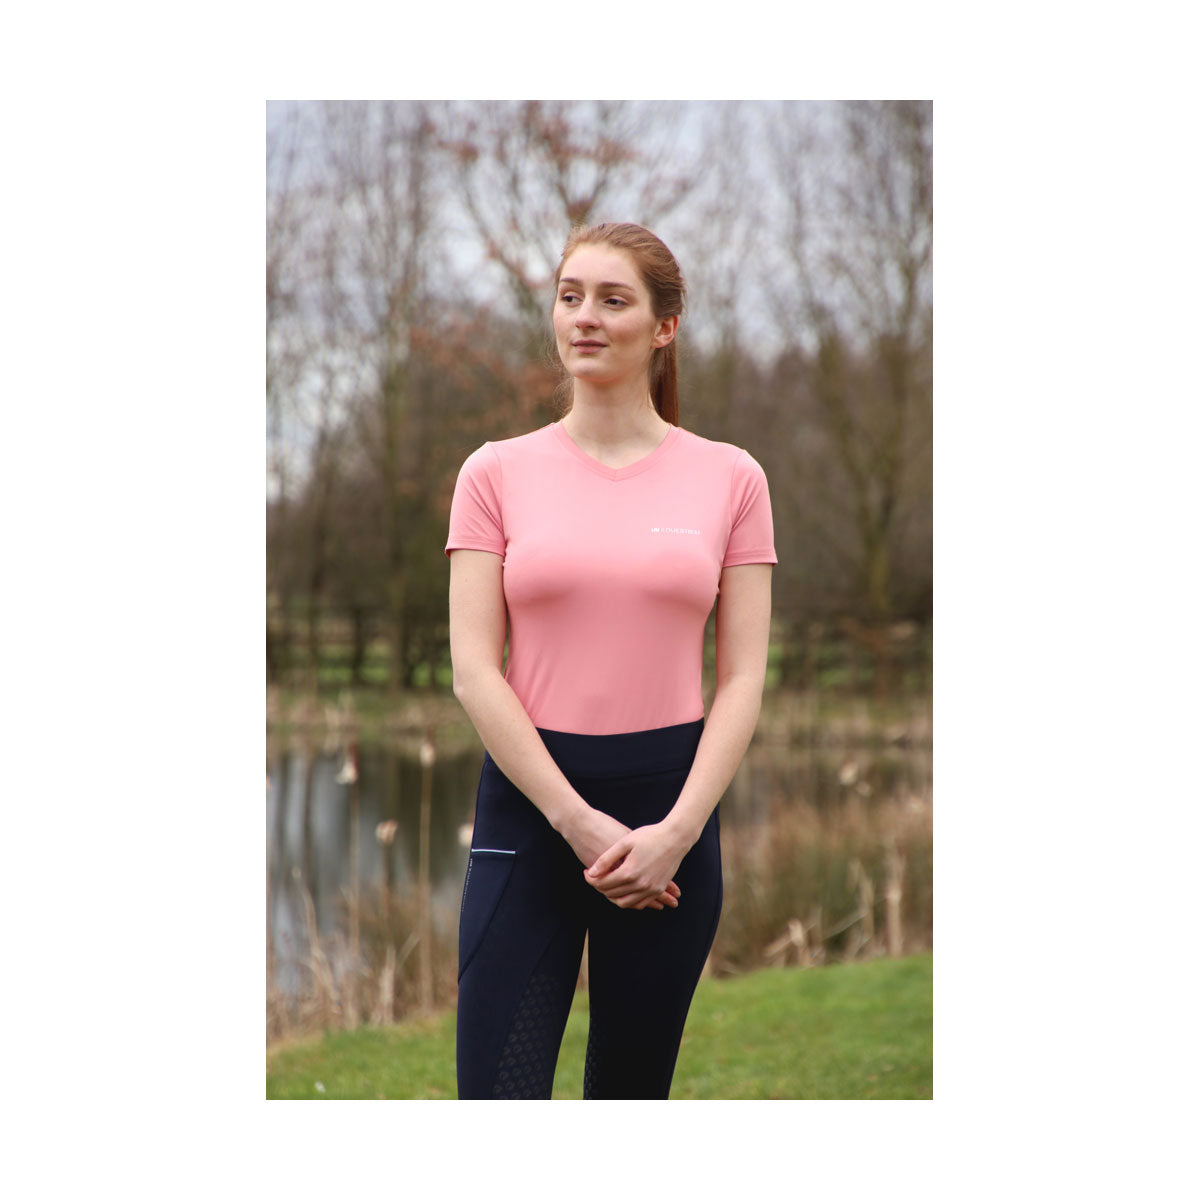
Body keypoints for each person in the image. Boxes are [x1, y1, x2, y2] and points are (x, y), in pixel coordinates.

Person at [445, 221, 775, 1099]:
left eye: (612, 299)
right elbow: (473, 670)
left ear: (664, 326)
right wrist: (575, 821)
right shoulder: (494, 473)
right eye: (570, 296)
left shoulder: (732, 478)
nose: (584, 316)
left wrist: (679, 832)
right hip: (530, 816)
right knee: (497, 1098)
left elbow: (743, 677)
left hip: (671, 824)